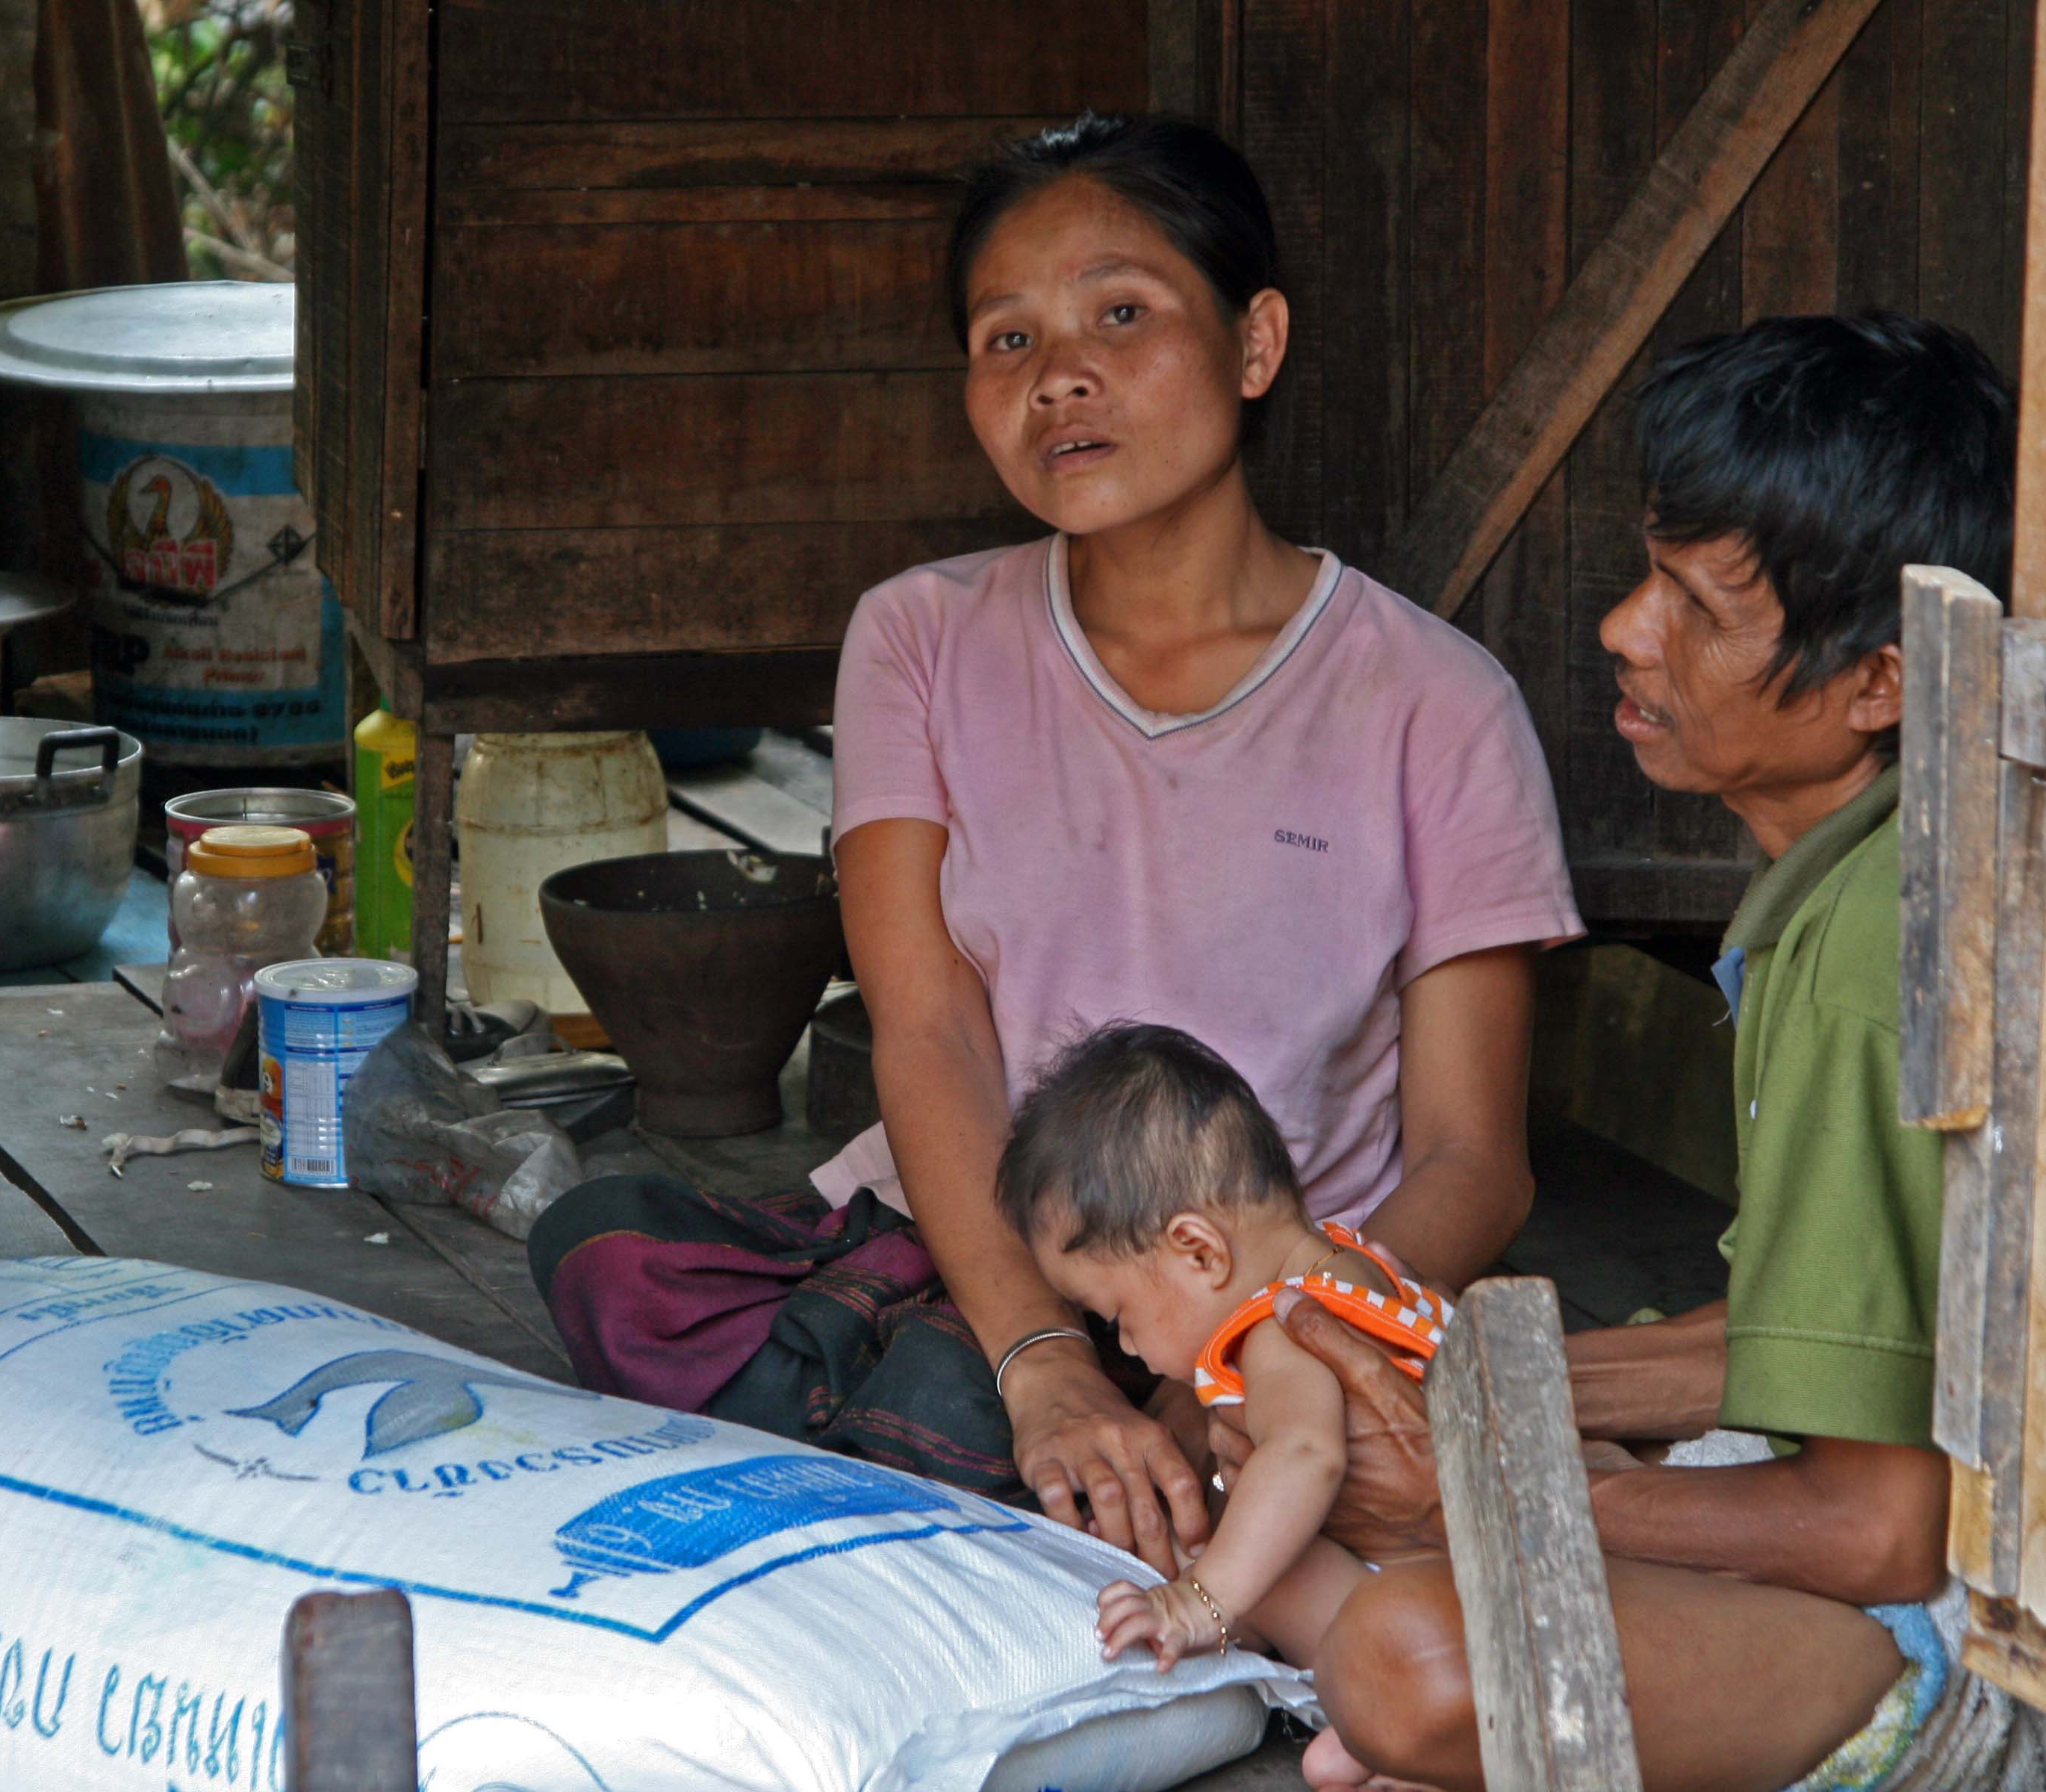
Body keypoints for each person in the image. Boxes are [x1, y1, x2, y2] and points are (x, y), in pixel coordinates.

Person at [529, 113, 1580, 1575]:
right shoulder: (920, 637)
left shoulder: (1436, 702)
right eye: (1005, 339)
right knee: (609, 1251)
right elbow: (926, 1031)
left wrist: (1235, 1359)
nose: (1058, 376)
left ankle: (987, 1460)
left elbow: (1473, 1160)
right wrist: (1044, 1359)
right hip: (984, 1249)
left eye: (1121, 315)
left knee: (1027, 1431)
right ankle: (1001, 1439)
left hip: (1275, 1294)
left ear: (1256, 342)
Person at [1231, 312, 2042, 1792]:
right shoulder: (1862, 877)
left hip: (1990, 1631)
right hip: (1934, 1514)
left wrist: (1483, 1492)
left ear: (1878, 682)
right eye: (1646, 575)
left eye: (1696, 607)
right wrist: (1447, 1379)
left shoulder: (1877, 952)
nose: (1622, 627)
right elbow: (1827, 1344)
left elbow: (1881, 1529)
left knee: (1408, 1655)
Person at [993, 1020, 1450, 1710]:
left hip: (1413, 1626)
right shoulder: (1361, 1264)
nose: (1125, 1346)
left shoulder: (1282, 1329)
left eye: (1117, 1316)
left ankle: (1388, 1712)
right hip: (1459, 1586)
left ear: (1200, 1252)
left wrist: (1199, 1602)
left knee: (1270, 1566)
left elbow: (1304, 1455)